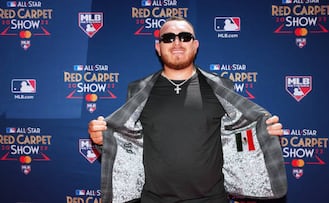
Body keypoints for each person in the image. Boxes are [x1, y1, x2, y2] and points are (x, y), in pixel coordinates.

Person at [88, 17, 287, 203]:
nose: (177, 43)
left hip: (212, 199)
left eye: (185, 37)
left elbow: (238, 136)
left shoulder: (222, 88)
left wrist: (262, 133)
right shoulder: (138, 90)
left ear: (195, 44)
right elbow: (128, 140)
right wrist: (102, 141)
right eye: (168, 38)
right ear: (158, 47)